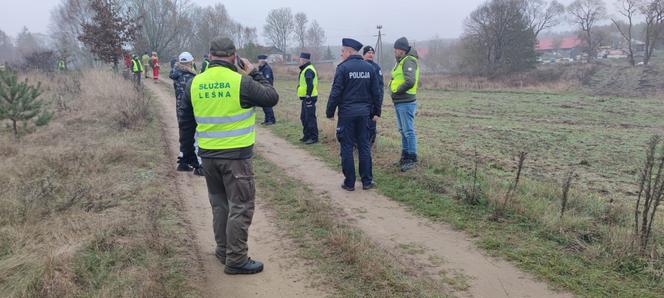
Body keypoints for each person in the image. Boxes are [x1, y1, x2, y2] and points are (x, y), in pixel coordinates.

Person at [180, 37, 279, 275]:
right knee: (241, 207)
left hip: (208, 157)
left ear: (210, 56)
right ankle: (236, 259)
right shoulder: (241, 82)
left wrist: (188, 156)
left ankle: (223, 250)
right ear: (234, 57)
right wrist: (254, 72)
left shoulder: (194, 83)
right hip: (236, 158)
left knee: (219, 205)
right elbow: (271, 97)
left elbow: (185, 122)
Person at [326, 38, 381, 191]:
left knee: (347, 146)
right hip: (364, 115)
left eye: (343, 51)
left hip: (347, 115)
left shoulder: (342, 68)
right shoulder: (368, 68)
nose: (341, 54)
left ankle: (349, 183)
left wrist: (330, 112)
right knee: (364, 146)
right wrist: (376, 111)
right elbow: (375, 92)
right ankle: (367, 181)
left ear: (350, 51)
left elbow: (335, 92)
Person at [169, 51, 204, 176]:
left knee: (184, 135)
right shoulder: (192, 77)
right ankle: (198, 165)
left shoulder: (176, 75)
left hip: (180, 109)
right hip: (191, 109)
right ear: (191, 62)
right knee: (196, 136)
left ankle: (183, 162)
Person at [389, 37, 420, 172]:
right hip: (400, 101)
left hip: (406, 102)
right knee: (403, 130)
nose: (394, 52)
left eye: (396, 50)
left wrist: (396, 90)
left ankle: (412, 158)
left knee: (408, 131)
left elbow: (410, 81)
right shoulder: (401, 61)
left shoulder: (408, 61)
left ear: (401, 50)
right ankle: (405, 155)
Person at [362, 45, 384, 146]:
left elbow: (380, 88)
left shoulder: (376, 68)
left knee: (371, 126)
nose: (371, 55)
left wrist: (378, 105)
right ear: (363, 55)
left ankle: (369, 146)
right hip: (360, 102)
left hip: (372, 103)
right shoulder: (359, 66)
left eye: (372, 53)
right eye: (368, 53)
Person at [297, 52, 319, 144]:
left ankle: (313, 137)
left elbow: (310, 84)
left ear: (303, 60)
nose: (299, 61)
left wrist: (308, 95)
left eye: (300, 59)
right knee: (304, 117)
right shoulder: (306, 69)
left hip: (309, 97)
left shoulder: (308, 70)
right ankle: (307, 135)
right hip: (305, 98)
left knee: (310, 118)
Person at [257, 54, 276, 125]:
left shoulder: (266, 68)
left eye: (260, 60)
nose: (259, 61)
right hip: (262, 88)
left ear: (263, 61)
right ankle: (267, 120)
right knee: (264, 105)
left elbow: (268, 79)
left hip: (267, 89)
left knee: (267, 105)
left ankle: (271, 120)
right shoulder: (261, 68)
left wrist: (267, 88)